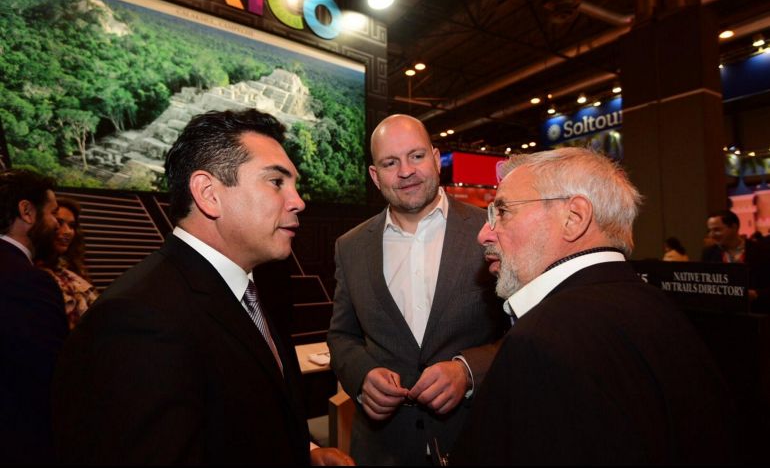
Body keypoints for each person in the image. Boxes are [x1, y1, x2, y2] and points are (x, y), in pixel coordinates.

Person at [52, 109, 354, 465]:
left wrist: (305, 453)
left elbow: (243, 422)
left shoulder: (248, 290)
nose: (298, 201)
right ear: (208, 193)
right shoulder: (137, 319)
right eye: (276, 182)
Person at [452, 147, 732, 464]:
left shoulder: (543, 341)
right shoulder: (657, 305)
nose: (483, 233)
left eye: (502, 212)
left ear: (574, 218)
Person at [327, 114, 508, 465]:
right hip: (382, 448)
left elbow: (520, 330)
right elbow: (341, 336)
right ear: (375, 176)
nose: (406, 171)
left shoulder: (490, 231)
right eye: (390, 162)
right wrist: (362, 375)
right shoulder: (349, 247)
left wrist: (468, 370)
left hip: (475, 437)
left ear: (436, 159)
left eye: (416, 156)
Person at [0, 169, 68, 464]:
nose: (56, 224)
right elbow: (50, 376)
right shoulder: (27, 281)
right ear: (27, 212)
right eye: (53, 213)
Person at [35, 197, 98, 330]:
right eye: (59, 223)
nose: (68, 231)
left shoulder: (70, 271)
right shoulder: (30, 272)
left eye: (72, 226)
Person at [702, 210, 770, 312]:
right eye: (709, 231)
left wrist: (756, 294)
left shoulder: (762, 251)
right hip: (722, 315)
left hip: (756, 314)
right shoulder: (709, 254)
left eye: (717, 230)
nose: (711, 235)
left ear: (734, 227)